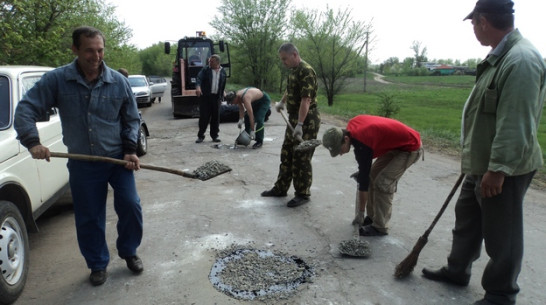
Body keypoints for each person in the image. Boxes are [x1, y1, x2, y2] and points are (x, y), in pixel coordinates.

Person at [421, 1, 546, 304]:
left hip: (504, 168)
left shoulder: (521, 60)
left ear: (483, 21)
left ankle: (501, 293)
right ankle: (457, 270)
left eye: (474, 24)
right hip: (480, 163)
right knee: (468, 218)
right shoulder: (499, 57)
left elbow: (515, 121)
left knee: (503, 233)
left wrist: (498, 170)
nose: (474, 30)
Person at [14, 26, 144, 286]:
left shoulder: (118, 81)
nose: (96, 56)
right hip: (84, 163)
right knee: (89, 216)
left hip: (118, 159)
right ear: (75, 49)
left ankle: (129, 251)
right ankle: (97, 263)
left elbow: (131, 119)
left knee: (131, 205)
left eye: (100, 50)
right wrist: (32, 142)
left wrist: (130, 149)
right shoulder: (57, 80)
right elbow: (25, 109)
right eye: (89, 51)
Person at [321, 115, 422, 236]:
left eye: (340, 149)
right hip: (396, 145)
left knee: (383, 182)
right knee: (371, 175)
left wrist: (360, 213)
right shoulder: (353, 128)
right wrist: (364, 172)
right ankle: (372, 217)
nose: (341, 154)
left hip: (410, 147)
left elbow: (363, 185)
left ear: (346, 139)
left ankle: (380, 226)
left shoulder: (362, 143)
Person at [261, 43, 321, 208]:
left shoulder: (306, 71)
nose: (283, 62)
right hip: (294, 118)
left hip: (307, 120)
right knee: (287, 153)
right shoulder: (294, 71)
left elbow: (306, 99)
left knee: (301, 157)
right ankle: (281, 188)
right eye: (282, 59)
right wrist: (282, 101)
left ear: (294, 54)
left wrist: (300, 124)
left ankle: (302, 193)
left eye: (285, 59)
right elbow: (291, 89)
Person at [195, 54, 226, 143]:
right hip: (206, 97)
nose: (209, 63)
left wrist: (222, 92)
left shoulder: (223, 71)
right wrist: (198, 87)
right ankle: (201, 136)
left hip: (216, 98)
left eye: (211, 61)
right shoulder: (206, 70)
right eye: (209, 61)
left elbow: (223, 83)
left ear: (217, 62)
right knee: (204, 117)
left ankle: (215, 136)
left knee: (216, 117)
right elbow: (199, 78)